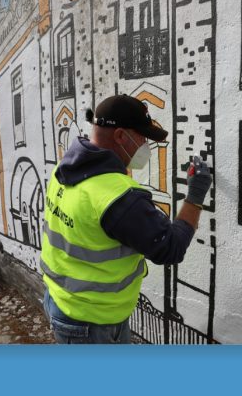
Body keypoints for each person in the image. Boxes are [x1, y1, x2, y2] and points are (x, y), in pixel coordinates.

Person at [41, 94, 213, 344]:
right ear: (121, 136)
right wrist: (196, 195)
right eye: (142, 137)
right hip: (91, 322)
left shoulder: (65, 169)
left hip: (61, 300)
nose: (145, 145)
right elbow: (171, 247)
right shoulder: (117, 197)